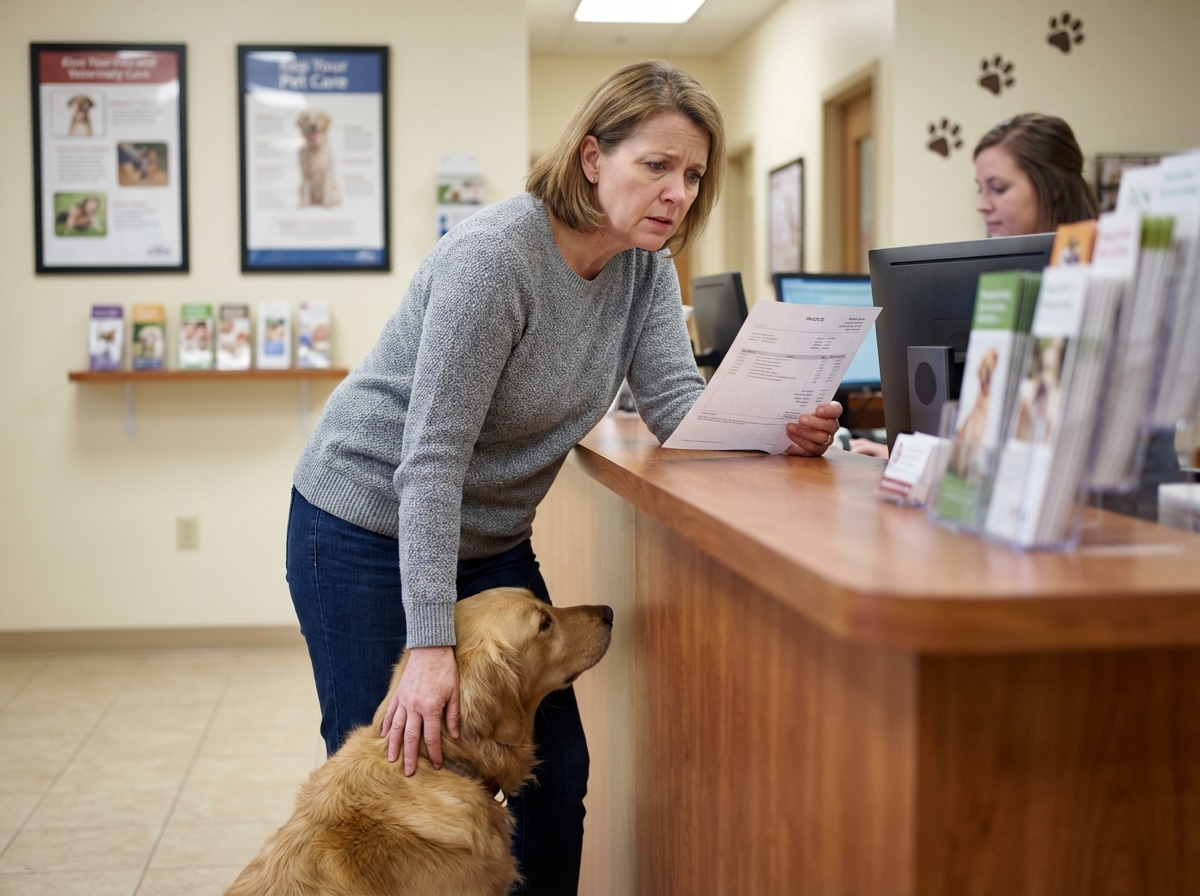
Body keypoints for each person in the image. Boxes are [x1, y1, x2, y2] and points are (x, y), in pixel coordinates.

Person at [286, 60, 843, 895]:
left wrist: (779, 431)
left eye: (693, 175)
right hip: (368, 524)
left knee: (554, 779)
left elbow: (674, 405)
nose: (677, 193)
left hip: (488, 539)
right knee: (389, 787)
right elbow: (430, 463)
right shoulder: (494, 260)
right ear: (591, 157)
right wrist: (429, 644)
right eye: (655, 165)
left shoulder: (644, 268)